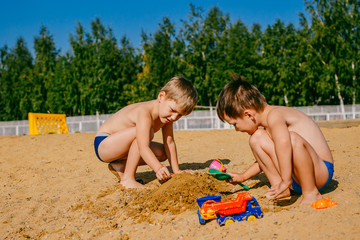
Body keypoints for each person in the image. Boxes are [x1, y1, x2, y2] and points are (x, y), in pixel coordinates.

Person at [216, 77, 334, 204]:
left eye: (235, 124)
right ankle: (280, 188)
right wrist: (244, 176)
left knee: (291, 139)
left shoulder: (275, 115)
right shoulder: (266, 125)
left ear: (248, 115)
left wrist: (286, 179)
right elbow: (270, 157)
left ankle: (311, 192)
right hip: (297, 178)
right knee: (256, 139)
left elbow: (284, 144)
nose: (236, 129)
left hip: (319, 173)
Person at [94, 77, 198, 189]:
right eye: (173, 110)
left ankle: (120, 166)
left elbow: (170, 142)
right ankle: (128, 179)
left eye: (179, 115)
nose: (174, 117)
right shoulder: (144, 112)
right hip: (104, 144)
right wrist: (158, 168)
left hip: (119, 148)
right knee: (146, 133)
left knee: (163, 153)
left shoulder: (167, 117)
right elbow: (143, 147)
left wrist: (176, 170)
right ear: (161, 96)